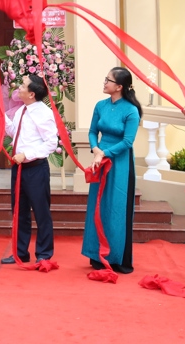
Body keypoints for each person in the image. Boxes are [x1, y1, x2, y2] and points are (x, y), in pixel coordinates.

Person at [81, 67, 141, 274]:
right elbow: (92, 132)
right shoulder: (100, 105)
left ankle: (117, 258)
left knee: (117, 209)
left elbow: (127, 141)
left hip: (120, 163)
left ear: (119, 86)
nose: (104, 82)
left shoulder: (131, 110)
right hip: (101, 159)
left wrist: (104, 153)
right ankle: (96, 255)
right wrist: (96, 150)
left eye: (109, 80)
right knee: (98, 206)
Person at [0, 74, 58, 266]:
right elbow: (13, 132)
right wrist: (2, 118)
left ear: (32, 93)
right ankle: (20, 252)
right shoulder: (21, 111)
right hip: (19, 169)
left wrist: (27, 154)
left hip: (35, 168)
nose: (19, 87)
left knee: (41, 212)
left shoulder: (44, 114)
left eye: (23, 85)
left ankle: (44, 254)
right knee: (19, 211)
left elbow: (51, 143)